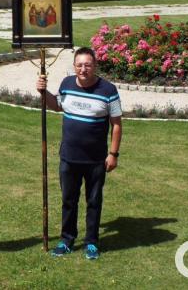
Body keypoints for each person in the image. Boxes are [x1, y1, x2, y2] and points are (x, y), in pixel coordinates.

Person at [35, 47, 123, 260]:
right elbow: (57, 106)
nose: (83, 69)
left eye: (88, 65)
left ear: (95, 66)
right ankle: (66, 240)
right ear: (74, 66)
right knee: (68, 200)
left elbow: (117, 125)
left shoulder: (108, 90)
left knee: (93, 201)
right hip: (69, 157)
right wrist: (43, 92)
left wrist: (113, 154)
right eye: (79, 65)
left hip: (95, 159)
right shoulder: (66, 85)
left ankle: (91, 242)